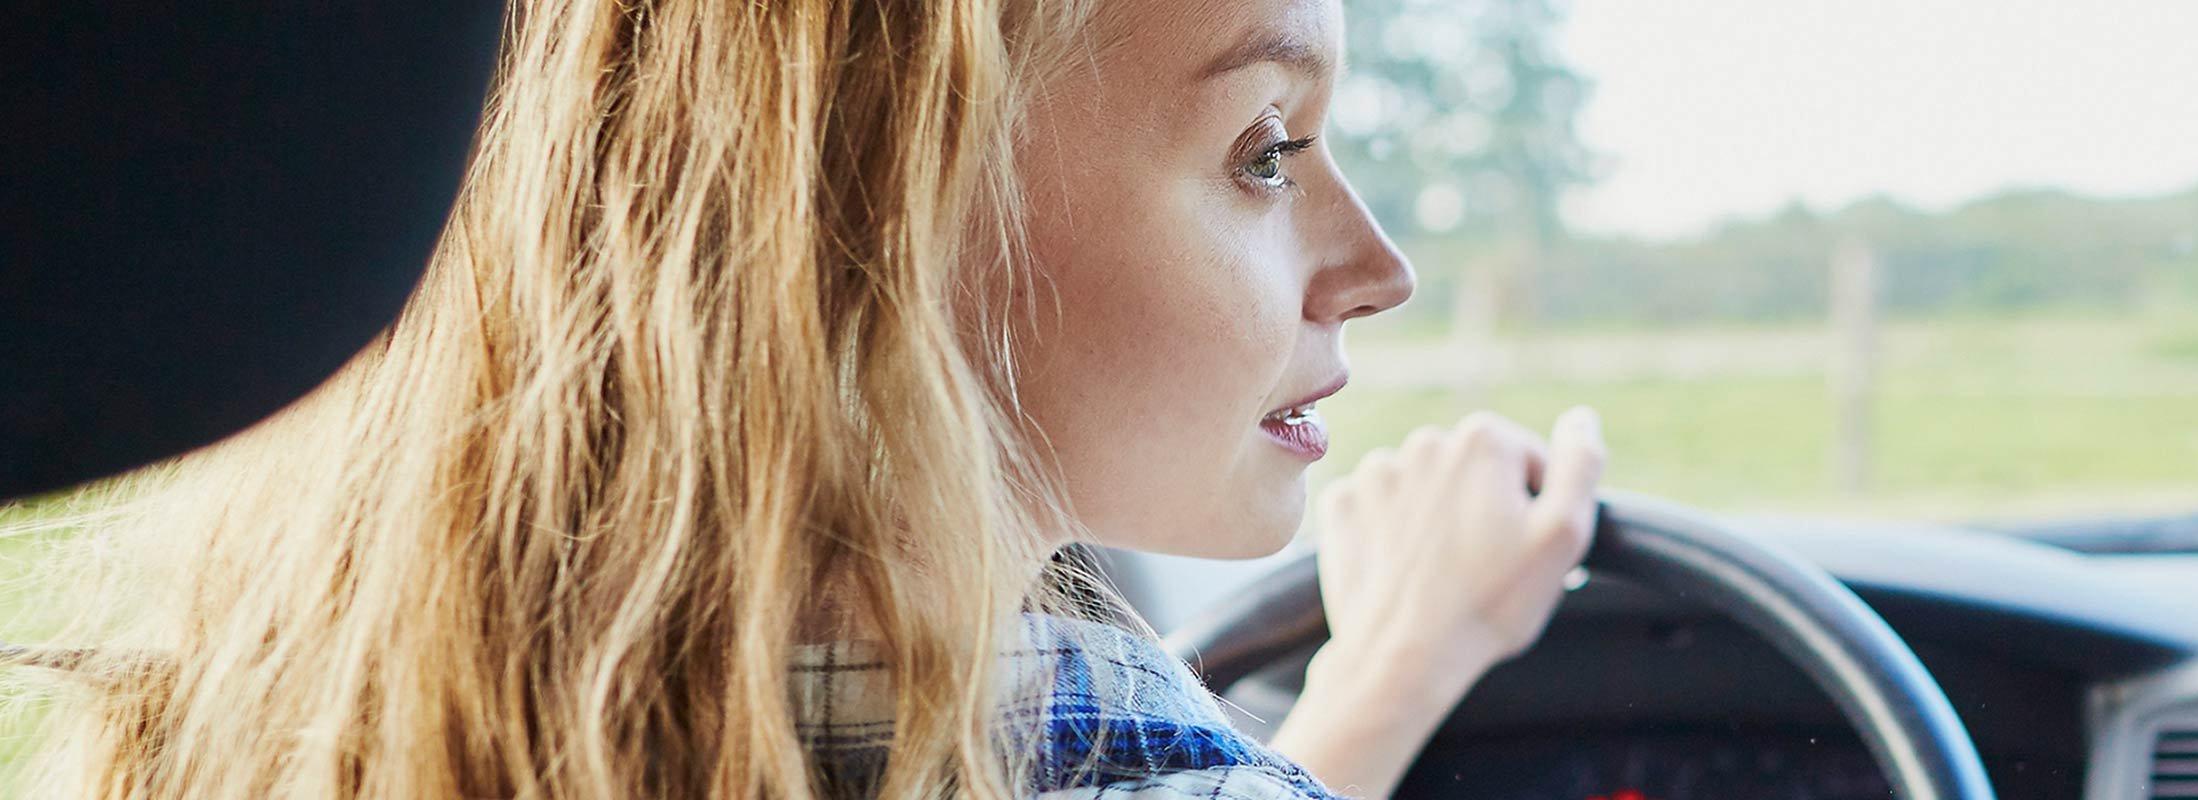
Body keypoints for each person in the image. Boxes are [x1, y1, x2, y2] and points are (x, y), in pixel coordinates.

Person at [15, 0, 1584, 797]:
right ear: (884, 221)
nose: (1376, 265)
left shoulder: (295, 733)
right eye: (1265, 151)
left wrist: (1372, 689)